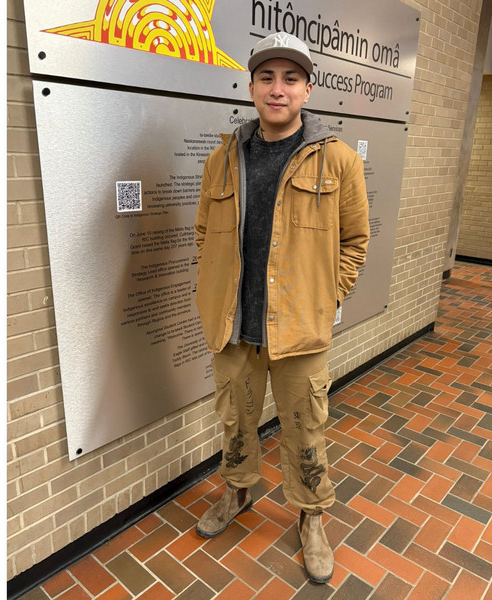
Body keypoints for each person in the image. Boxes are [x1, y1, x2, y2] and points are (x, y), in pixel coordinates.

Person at [192, 32, 369, 584]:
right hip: (235, 325)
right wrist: (215, 289)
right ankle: (238, 492)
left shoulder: (338, 160)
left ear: (307, 89)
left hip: (299, 329)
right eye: (266, 77)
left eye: (290, 78)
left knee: (306, 429)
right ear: (251, 86)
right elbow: (204, 233)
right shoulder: (223, 158)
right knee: (235, 420)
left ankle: (311, 517)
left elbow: (355, 241)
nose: (277, 88)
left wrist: (328, 297)